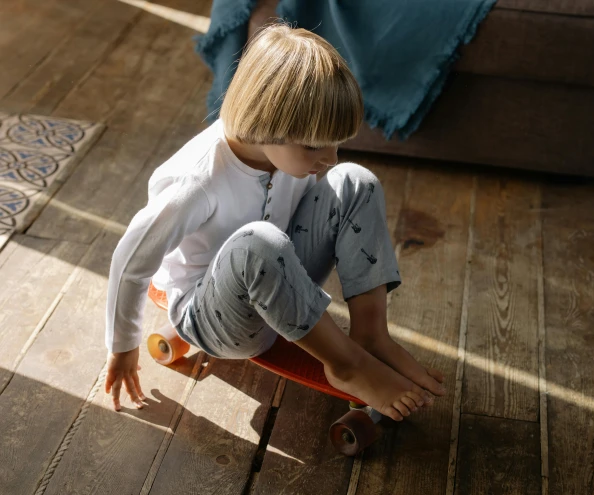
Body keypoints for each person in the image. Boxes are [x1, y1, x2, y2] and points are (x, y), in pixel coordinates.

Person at [103, 24, 446, 421]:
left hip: (277, 279)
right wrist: (123, 345)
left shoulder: (284, 151)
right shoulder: (196, 182)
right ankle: (346, 364)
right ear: (268, 126)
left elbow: (321, 187)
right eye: (316, 147)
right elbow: (129, 260)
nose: (330, 157)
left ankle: (370, 335)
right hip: (213, 318)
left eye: (336, 142)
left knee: (355, 181)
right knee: (259, 241)